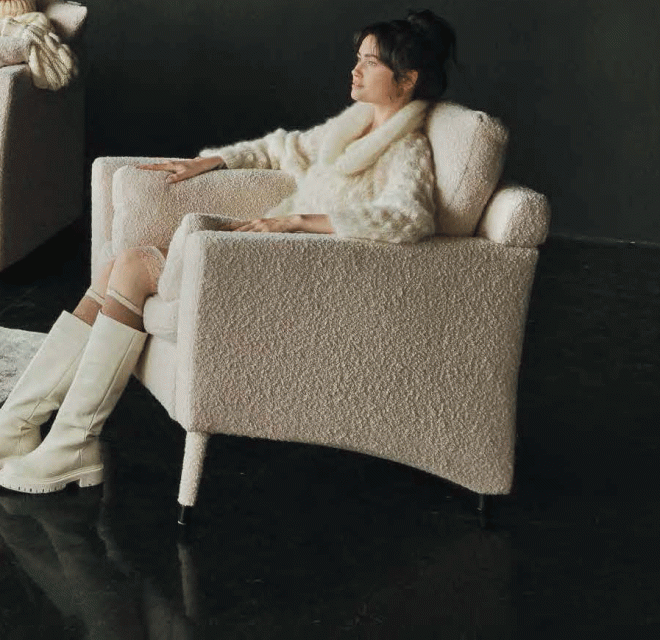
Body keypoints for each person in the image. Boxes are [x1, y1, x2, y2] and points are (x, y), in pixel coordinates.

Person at [0, 9, 457, 493]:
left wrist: (299, 220)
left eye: (370, 62)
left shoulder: (406, 148)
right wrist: (214, 161)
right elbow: (282, 147)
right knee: (118, 266)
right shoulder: (352, 128)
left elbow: (410, 217)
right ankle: (19, 425)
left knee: (131, 265)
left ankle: (72, 442)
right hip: (268, 253)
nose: (355, 70)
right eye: (358, 58)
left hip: (302, 274)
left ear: (406, 80)